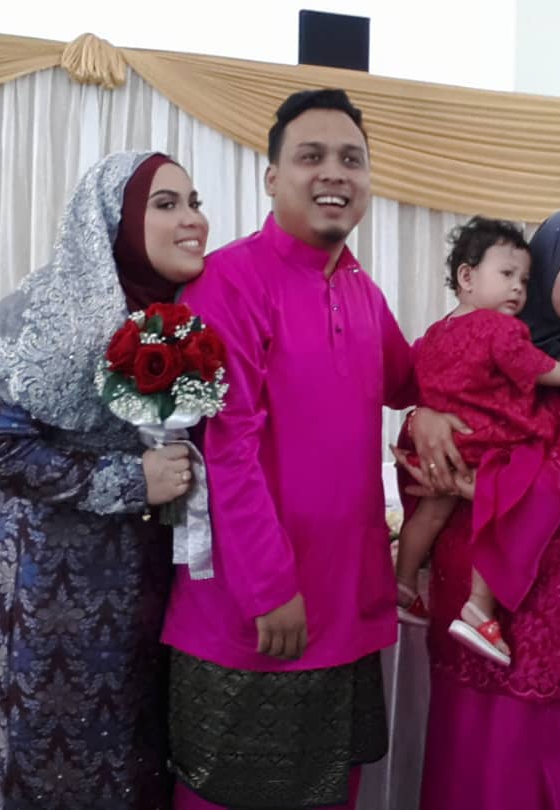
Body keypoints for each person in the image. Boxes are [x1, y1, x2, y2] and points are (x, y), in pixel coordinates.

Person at [159, 89, 418, 810]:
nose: (334, 172)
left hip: (346, 605)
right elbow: (226, 452)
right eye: (312, 156)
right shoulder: (227, 283)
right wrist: (269, 589)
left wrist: (437, 401)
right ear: (272, 177)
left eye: (351, 159)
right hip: (254, 611)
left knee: (333, 793)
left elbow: (410, 379)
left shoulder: (361, 288)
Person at [0, 151, 209, 809]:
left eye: (195, 203)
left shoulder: (194, 316)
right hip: (48, 595)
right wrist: (131, 480)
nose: (192, 220)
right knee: (51, 771)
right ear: (112, 221)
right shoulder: (39, 313)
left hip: (157, 585)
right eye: (166, 204)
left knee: (140, 769)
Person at [401, 204, 560, 810]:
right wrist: (423, 417)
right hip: (463, 580)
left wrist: (465, 483)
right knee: (459, 756)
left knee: (524, 763)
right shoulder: (497, 338)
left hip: (552, 591)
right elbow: (433, 410)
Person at [394, 216, 560, 667]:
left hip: (445, 445)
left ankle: (402, 587)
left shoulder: (435, 332)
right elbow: (533, 367)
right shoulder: (500, 329)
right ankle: (479, 608)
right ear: (467, 277)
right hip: (486, 446)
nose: (518, 288)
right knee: (500, 513)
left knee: (428, 515)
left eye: (524, 280)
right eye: (506, 274)